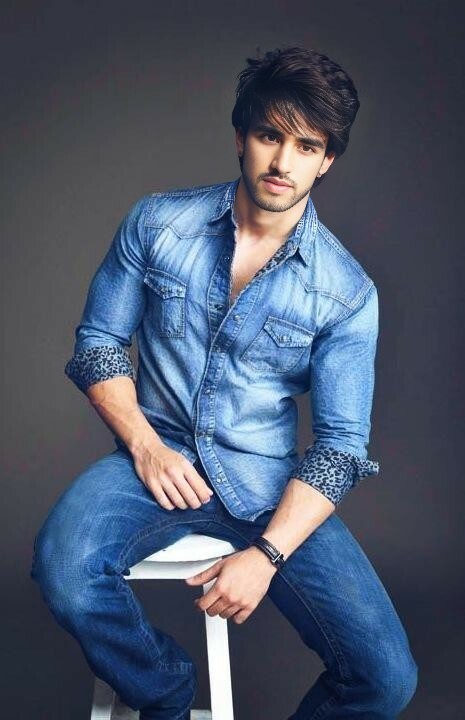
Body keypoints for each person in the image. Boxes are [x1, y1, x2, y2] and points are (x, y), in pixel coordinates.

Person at [30, 46, 418, 719]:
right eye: (270, 136)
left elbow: (339, 447)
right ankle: (167, 696)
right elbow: (98, 343)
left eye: (306, 146)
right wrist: (146, 447)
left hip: (271, 487)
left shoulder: (347, 292)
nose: (282, 162)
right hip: (155, 462)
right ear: (241, 136)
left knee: (385, 679)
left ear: (326, 160)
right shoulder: (157, 224)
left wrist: (266, 555)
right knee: (64, 570)